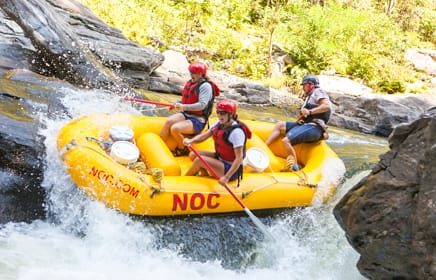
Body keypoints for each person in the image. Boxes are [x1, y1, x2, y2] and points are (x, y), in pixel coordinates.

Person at [265, 74, 331, 171]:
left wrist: (310, 111)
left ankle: (295, 166)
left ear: (310, 84)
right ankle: (264, 147)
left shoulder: (318, 92)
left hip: (315, 128)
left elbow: (326, 106)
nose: (303, 88)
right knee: (280, 125)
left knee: (286, 141)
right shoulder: (309, 97)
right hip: (306, 125)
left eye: (304, 85)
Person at [183, 99, 251, 186]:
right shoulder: (219, 124)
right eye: (218, 112)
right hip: (221, 158)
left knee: (199, 161)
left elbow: (239, 158)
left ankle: (185, 180)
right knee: (193, 154)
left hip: (231, 169)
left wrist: (226, 177)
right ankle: (204, 176)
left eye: (223, 113)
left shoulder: (236, 132)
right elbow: (203, 136)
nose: (219, 115)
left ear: (231, 114)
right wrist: (190, 141)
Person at [160, 62, 216, 156]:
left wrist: (184, 107)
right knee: (169, 121)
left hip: (198, 120)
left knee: (175, 128)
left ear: (201, 74)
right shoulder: (191, 83)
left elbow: (202, 105)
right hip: (187, 114)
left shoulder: (205, 86)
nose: (191, 75)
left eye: (194, 73)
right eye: (191, 72)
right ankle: (160, 147)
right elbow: (186, 100)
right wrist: (176, 104)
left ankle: (182, 148)